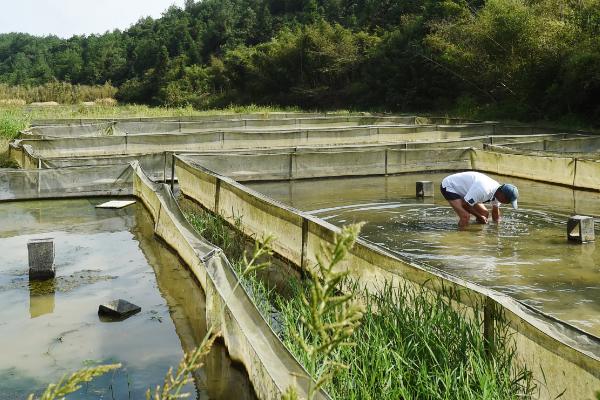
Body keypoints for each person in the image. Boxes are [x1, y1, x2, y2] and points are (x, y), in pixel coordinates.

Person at [440, 171, 519, 228]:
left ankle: (476, 233)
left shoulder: (499, 191)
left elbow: (495, 214)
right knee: (465, 216)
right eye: (508, 201)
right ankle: (461, 238)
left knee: (485, 213)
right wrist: (479, 216)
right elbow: (465, 205)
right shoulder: (483, 190)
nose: (507, 203)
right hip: (450, 186)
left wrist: (496, 228)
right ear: (503, 196)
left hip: (468, 191)